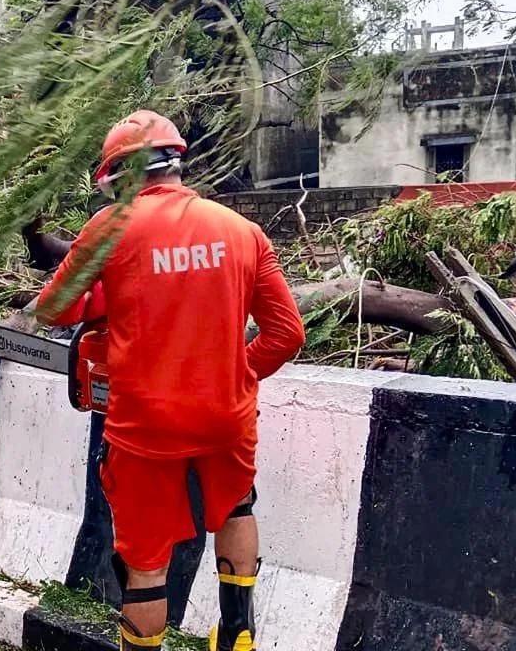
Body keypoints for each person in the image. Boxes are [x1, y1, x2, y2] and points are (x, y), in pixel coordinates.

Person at [34, 110, 306, 651]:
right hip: (226, 416)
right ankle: (237, 634)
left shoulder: (109, 229)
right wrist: (231, 374)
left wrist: (104, 293)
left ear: (118, 177)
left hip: (145, 424)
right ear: (176, 164)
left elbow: (54, 310)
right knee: (236, 506)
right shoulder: (243, 230)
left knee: (147, 560)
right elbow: (287, 335)